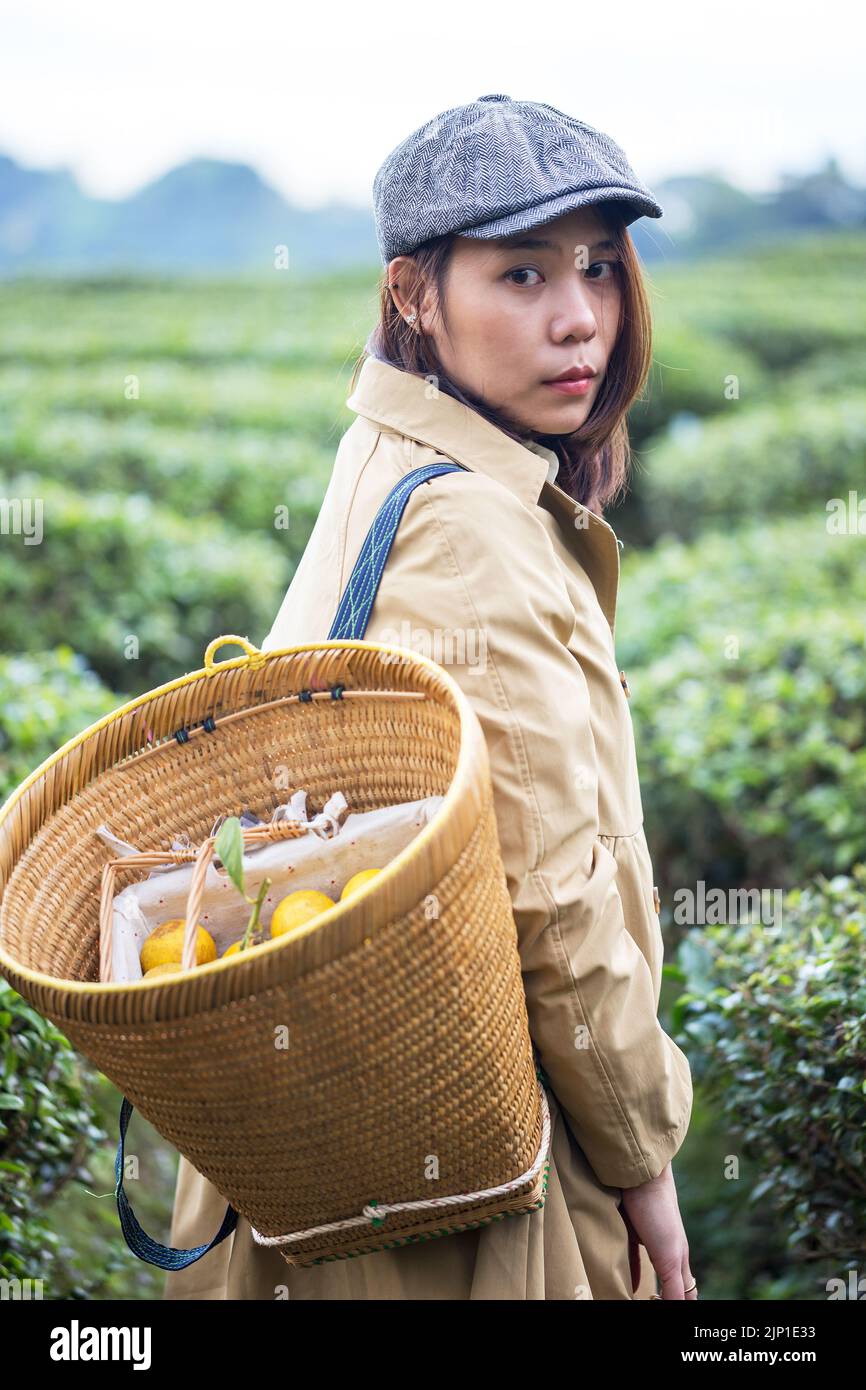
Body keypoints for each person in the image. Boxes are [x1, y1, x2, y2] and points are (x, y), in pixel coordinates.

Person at [163, 93, 696, 1301]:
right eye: (520, 275)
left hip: (355, 1159)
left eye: (600, 269)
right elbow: (552, 904)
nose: (581, 320)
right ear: (413, 293)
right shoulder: (468, 529)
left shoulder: (397, 446)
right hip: (466, 1183)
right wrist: (645, 1160)